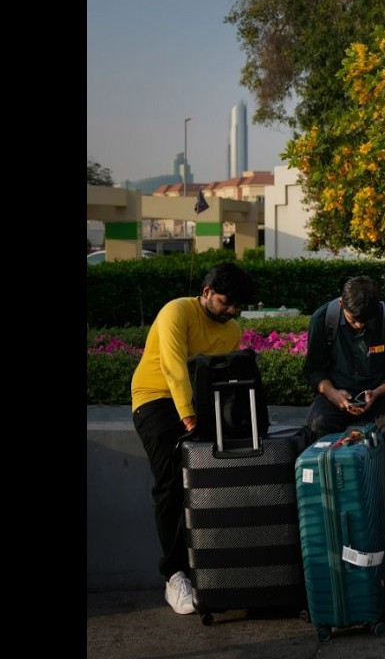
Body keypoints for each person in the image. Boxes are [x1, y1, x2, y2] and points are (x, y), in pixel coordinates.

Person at [130, 262, 258, 615]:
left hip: (197, 406)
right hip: (155, 399)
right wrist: (188, 416)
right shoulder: (176, 311)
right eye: (225, 302)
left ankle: (217, 566)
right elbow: (173, 365)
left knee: (218, 477)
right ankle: (174, 576)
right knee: (171, 483)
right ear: (205, 292)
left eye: (237, 306)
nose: (231, 311)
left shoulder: (231, 330)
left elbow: (221, 378)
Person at [303, 275, 385, 493]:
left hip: (383, 393)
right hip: (337, 393)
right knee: (317, 424)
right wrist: (333, 394)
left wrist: (378, 392)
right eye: (353, 319)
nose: (359, 325)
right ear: (341, 304)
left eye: (365, 321)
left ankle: (382, 491)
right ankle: (330, 492)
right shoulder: (323, 319)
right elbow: (313, 369)